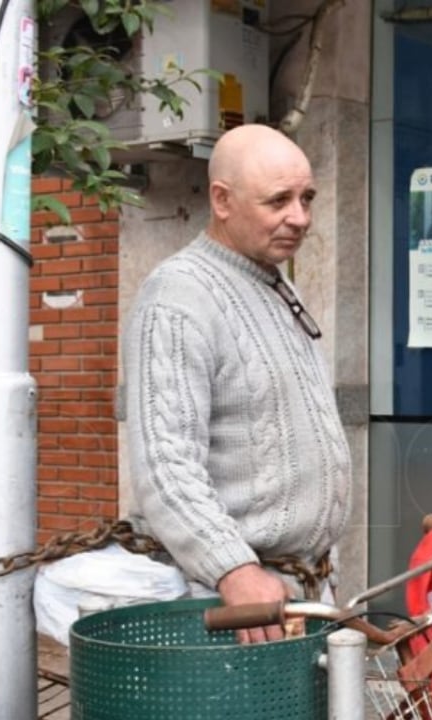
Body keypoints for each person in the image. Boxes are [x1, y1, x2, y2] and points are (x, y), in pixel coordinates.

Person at [123, 124, 352, 644]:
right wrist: (234, 570)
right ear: (222, 201)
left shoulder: (271, 280)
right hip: (233, 606)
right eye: (279, 201)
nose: (300, 217)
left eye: (306, 197)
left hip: (294, 594)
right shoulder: (177, 297)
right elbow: (166, 466)